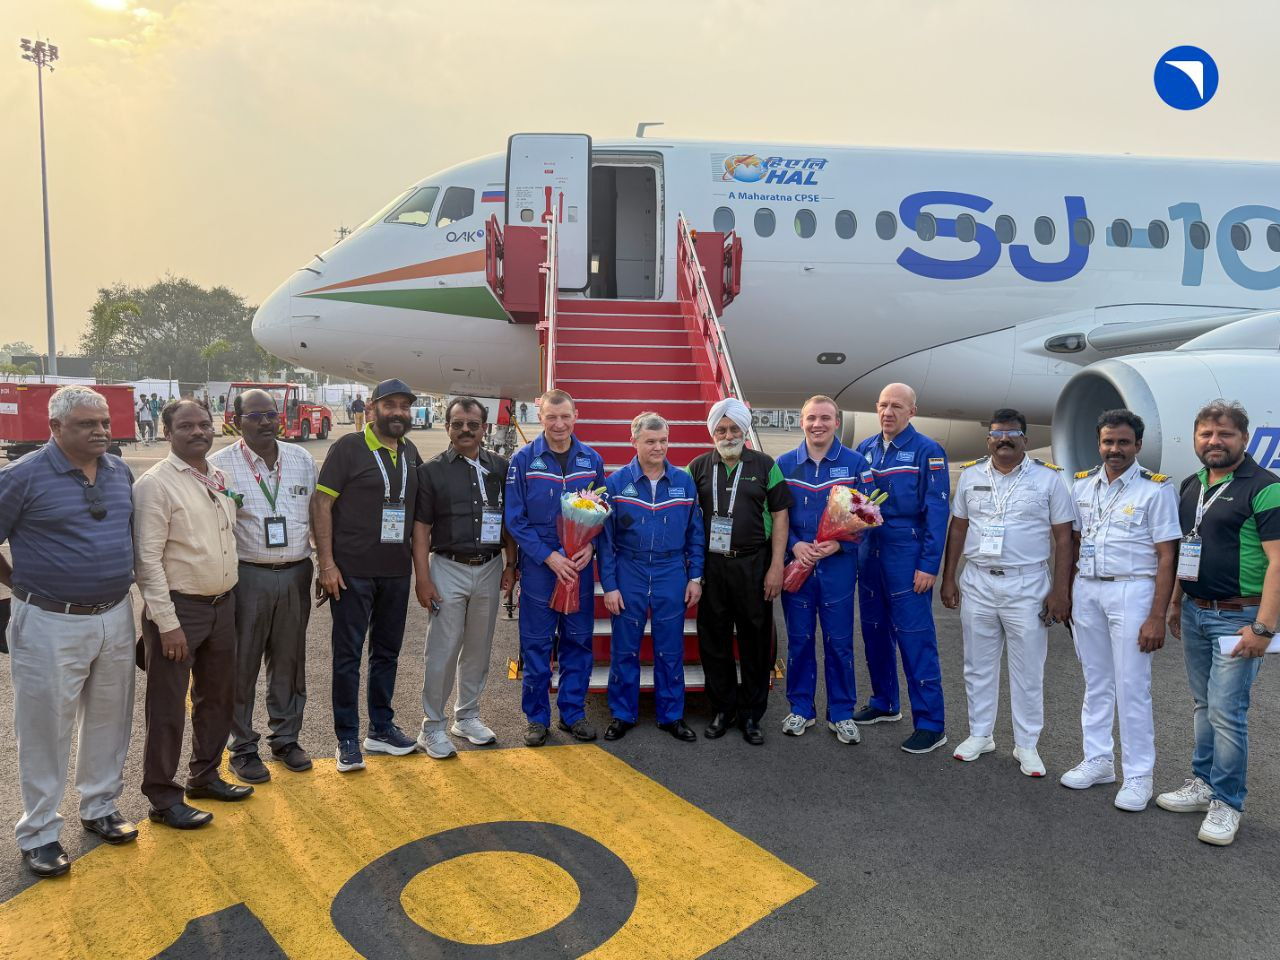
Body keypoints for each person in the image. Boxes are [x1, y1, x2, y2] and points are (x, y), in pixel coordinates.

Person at [0, 386, 138, 878]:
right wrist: (16, 585)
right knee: (45, 728)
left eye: (104, 422)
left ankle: (99, 806)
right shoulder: (22, 476)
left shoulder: (119, 471)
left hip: (115, 614)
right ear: (55, 427)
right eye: (87, 424)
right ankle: (39, 832)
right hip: (49, 620)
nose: (101, 431)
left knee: (109, 718)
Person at [1156, 400, 1280, 845]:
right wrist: (1176, 602)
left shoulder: (1265, 488)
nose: (1214, 441)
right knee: (1204, 705)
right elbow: (1188, 549)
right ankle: (1203, 783)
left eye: (1225, 434)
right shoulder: (1192, 484)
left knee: (1228, 712)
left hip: (1239, 617)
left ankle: (1228, 802)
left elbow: (1278, 562)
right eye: (1206, 433)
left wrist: (1264, 628)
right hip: (1195, 610)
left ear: (1244, 438)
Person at [134, 399, 251, 831]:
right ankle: (163, 797)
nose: (198, 432)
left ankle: (204, 776)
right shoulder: (155, 485)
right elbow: (147, 561)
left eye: (204, 424)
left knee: (217, 698)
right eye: (186, 426)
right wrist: (167, 625)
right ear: (167, 432)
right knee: (167, 707)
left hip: (222, 605)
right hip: (180, 610)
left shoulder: (216, 476)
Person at [940, 408, 1074, 778]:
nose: (1004, 440)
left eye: (1012, 434)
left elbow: (1064, 538)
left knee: (1028, 669)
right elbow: (958, 527)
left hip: (1027, 584)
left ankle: (1026, 744)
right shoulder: (970, 475)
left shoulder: (1049, 479)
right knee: (977, 665)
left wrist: (1061, 590)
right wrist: (948, 577)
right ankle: (980, 734)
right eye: (997, 434)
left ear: (1025, 440)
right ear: (988, 440)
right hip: (979, 581)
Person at [1062, 409, 1180, 811]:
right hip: (1088, 589)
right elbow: (1074, 542)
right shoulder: (1082, 485)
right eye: (1108, 442)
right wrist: (1068, 593)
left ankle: (1139, 776)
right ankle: (1098, 760)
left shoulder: (1155, 490)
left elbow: (1167, 556)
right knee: (1096, 681)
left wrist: (1157, 615)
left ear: (1138, 445)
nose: (1115, 449)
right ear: (1099, 443)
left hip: (1132, 590)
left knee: (1131, 686)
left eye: (1123, 442)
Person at [209, 389, 318, 783]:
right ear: (237, 421)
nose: (266, 422)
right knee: (241, 664)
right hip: (247, 575)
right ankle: (242, 747)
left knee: (289, 660)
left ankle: (286, 738)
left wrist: (325, 563)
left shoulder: (302, 459)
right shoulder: (219, 466)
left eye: (271, 414)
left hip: (296, 571)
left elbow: (317, 515)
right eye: (255, 416)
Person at [313, 378, 422, 772]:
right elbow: (321, 504)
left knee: (386, 654)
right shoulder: (349, 447)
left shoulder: (410, 452)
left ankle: (380, 728)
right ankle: (347, 737)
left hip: (395, 571)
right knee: (348, 657)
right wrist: (326, 564)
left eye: (404, 406)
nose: (398, 413)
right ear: (372, 408)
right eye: (390, 405)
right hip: (351, 573)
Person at [412, 396, 517, 759]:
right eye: (457, 424)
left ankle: (467, 715)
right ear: (447, 428)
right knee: (441, 651)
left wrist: (511, 564)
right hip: (448, 567)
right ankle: (432, 727)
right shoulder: (431, 471)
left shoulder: (500, 467)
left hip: (489, 567)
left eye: (473, 424)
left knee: (478, 648)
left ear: (485, 428)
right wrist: (423, 578)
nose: (466, 430)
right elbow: (421, 529)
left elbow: (509, 522)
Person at [505, 389, 606, 746]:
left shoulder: (591, 460)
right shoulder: (523, 460)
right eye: (552, 417)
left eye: (565, 416)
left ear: (576, 416)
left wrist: (590, 546)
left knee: (578, 641)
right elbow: (515, 519)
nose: (559, 424)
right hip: (541, 568)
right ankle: (536, 718)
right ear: (541, 418)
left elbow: (602, 512)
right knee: (536, 643)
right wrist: (548, 556)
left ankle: (573, 714)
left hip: (577, 568)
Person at [853, 383, 951, 754]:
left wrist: (928, 565)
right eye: (883, 405)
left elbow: (937, 512)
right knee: (874, 631)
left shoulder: (927, 451)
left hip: (906, 554)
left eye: (897, 406)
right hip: (870, 551)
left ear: (912, 411)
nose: (888, 412)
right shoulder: (865, 449)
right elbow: (857, 502)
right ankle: (884, 702)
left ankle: (930, 723)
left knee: (915, 638)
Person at [687, 397, 791, 745]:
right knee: (713, 640)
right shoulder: (697, 467)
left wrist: (776, 566)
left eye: (734, 428)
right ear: (712, 432)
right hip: (712, 565)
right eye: (721, 429)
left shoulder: (765, 465)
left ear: (744, 431)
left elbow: (780, 515)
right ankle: (722, 710)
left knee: (755, 641)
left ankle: (751, 715)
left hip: (754, 563)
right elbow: (685, 515)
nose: (728, 435)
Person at [599, 412, 705, 742]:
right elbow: (606, 541)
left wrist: (695, 577)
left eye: (663, 441)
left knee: (670, 649)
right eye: (650, 441)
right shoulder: (616, 483)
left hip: (670, 571)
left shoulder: (684, 482)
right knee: (624, 648)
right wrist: (610, 586)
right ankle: (622, 714)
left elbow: (696, 533)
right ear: (634, 442)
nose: (658, 447)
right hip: (629, 570)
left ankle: (671, 715)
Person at [776, 396, 871, 744]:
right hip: (799, 566)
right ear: (801, 422)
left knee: (840, 643)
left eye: (825, 418)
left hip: (838, 569)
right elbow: (776, 517)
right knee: (799, 641)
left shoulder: (855, 463)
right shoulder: (784, 464)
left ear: (836, 422)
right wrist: (794, 546)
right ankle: (801, 708)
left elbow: (867, 516)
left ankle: (841, 713)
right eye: (812, 418)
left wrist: (841, 545)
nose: (818, 424)